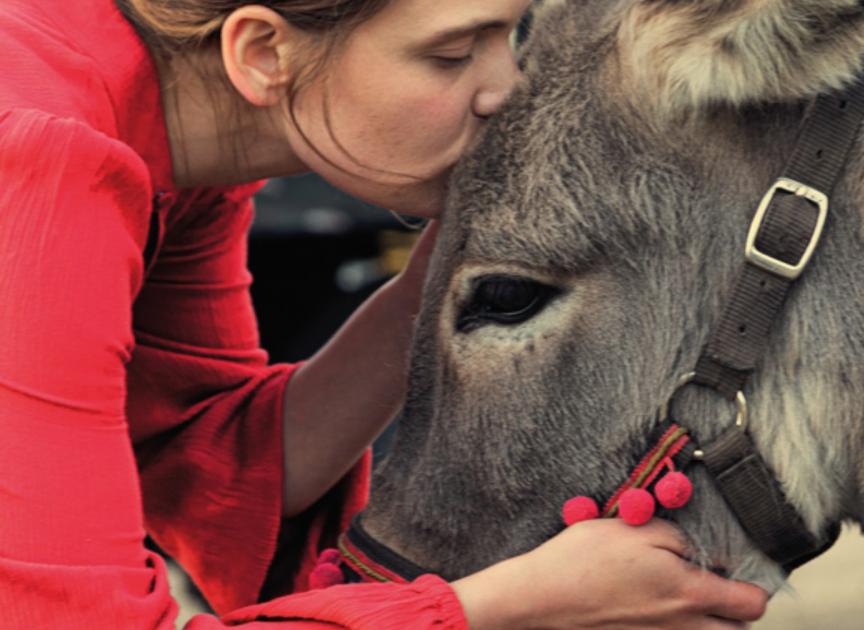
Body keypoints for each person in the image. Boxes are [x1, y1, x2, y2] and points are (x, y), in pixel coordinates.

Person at [0, 0, 770, 628]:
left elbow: (203, 463)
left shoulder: (160, 131)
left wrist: (444, 276)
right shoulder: (38, 167)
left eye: (510, 35)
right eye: (451, 54)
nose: (506, 90)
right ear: (263, 52)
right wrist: (511, 604)